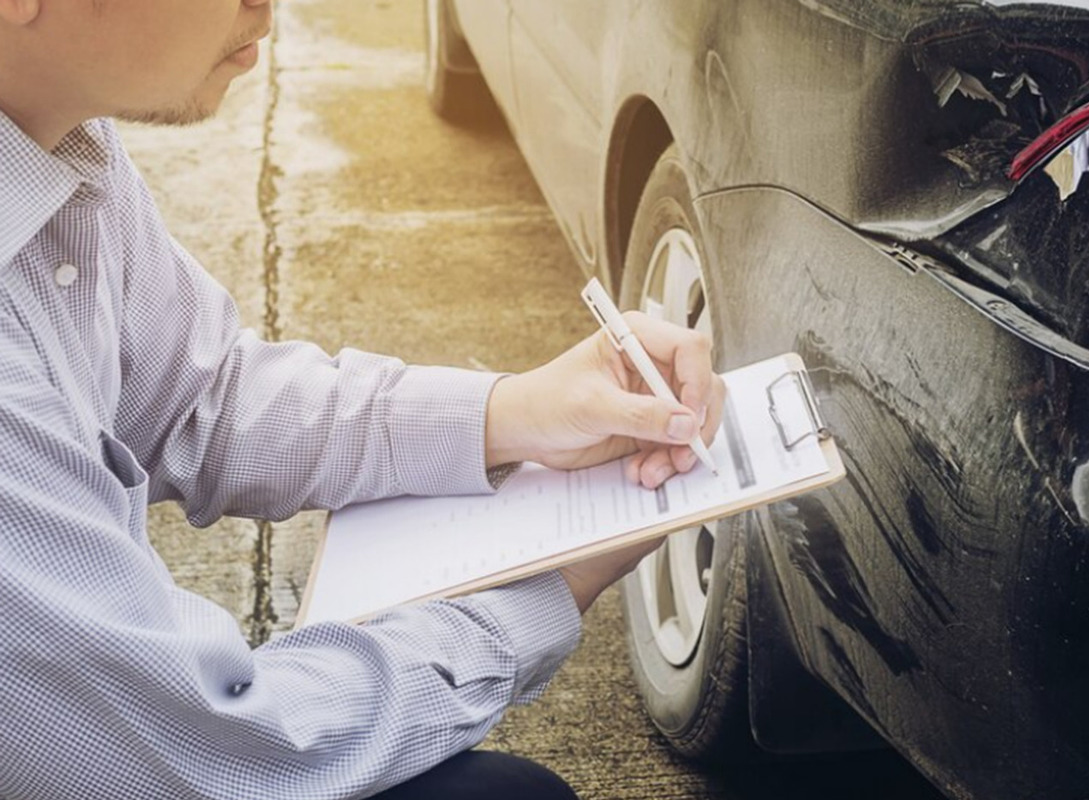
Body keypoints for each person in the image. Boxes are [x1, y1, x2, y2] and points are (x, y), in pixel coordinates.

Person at [0, 0, 725, 798]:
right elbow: (215, 751)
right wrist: (539, 592)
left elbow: (201, 397)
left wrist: (515, 414)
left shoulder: (58, 140)